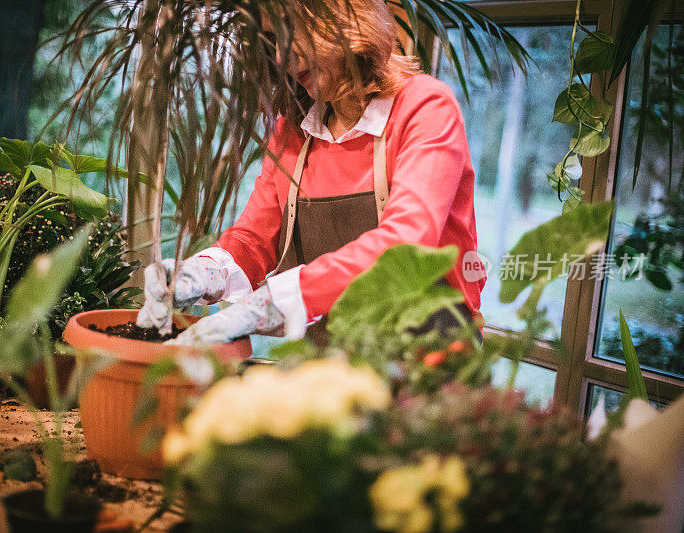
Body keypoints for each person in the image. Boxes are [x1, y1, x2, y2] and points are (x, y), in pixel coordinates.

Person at [137, 0, 485, 346]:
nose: (280, 58)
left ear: (341, 16)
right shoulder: (294, 131)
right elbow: (254, 240)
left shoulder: (424, 107)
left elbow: (406, 240)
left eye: (290, 32)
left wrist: (276, 301)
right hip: (331, 365)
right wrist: (198, 275)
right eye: (273, 42)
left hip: (429, 362)